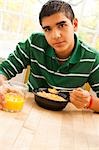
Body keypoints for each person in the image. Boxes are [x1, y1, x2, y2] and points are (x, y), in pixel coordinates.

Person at [0, 0, 99, 112]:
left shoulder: (92, 58)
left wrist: (89, 102)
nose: (55, 35)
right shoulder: (34, 43)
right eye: (47, 29)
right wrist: (2, 86)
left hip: (65, 119)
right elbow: (3, 70)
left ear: (74, 24)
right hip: (30, 111)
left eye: (62, 25)